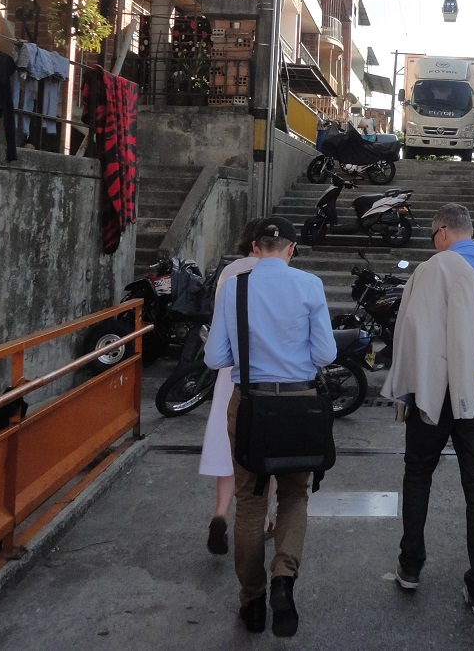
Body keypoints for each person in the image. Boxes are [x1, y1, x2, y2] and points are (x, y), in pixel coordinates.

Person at [204, 217, 337, 636]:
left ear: (257, 247)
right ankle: (284, 577)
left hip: (251, 403)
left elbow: (214, 359)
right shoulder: (310, 286)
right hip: (300, 403)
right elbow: (325, 354)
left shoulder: (234, 287)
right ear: (291, 249)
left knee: (250, 500)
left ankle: (253, 601)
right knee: (295, 494)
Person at [382, 203, 474, 617]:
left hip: (435, 388)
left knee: (418, 474)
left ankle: (411, 567)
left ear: (440, 232)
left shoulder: (434, 268)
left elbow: (411, 329)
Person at [200, 218, 264, 557]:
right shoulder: (271, 271)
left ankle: (220, 514)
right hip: (266, 371)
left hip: (230, 370)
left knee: (227, 446)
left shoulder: (228, 273)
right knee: (264, 447)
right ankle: (262, 519)